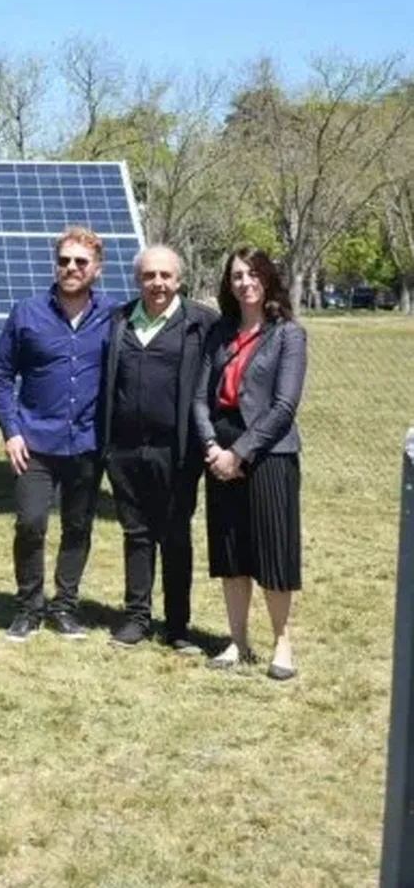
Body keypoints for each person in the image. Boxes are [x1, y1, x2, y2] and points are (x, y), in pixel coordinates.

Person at [0, 225, 116, 642]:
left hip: (88, 443)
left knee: (78, 526)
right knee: (31, 523)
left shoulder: (113, 318)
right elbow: (1, 375)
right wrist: (10, 431)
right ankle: (29, 606)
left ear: (97, 268)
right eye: (64, 260)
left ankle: (64, 606)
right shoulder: (27, 312)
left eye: (81, 261)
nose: (71, 268)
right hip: (34, 442)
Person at [193, 247, 306, 681]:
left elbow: (283, 406)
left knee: (274, 554)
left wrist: (239, 453)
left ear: (268, 280)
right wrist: (211, 446)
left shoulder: (287, 335)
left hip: (269, 457)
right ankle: (237, 641)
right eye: (237, 275)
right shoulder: (220, 332)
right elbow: (201, 398)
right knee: (231, 553)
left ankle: (282, 643)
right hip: (219, 456)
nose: (245, 282)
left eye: (253, 274)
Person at [99, 245, 216, 651]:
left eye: (166, 275)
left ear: (179, 280)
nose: (158, 283)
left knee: (175, 536)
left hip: (177, 452)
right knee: (136, 534)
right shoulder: (119, 321)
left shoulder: (201, 323)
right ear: (138, 280)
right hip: (126, 450)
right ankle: (136, 617)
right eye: (149, 275)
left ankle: (178, 625)